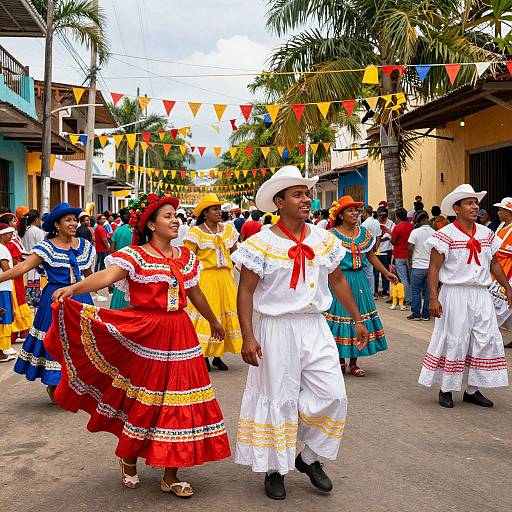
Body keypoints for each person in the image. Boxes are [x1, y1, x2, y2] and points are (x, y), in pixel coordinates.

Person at [48, 192, 231, 496]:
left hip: (181, 334)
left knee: (182, 399)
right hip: (147, 334)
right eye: (168, 216)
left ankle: (170, 474)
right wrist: (73, 288)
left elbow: (195, 293)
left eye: (176, 216)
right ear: (151, 224)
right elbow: (106, 277)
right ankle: (129, 456)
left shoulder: (186, 257)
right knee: (144, 399)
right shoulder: (135, 256)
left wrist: (213, 320)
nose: (175, 221)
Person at [232, 166, 369, 501]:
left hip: (314, 325)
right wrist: (248, 337)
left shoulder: (323, 238)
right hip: (275, 329)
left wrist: (357, 318)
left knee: (334, 393)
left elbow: (337, 280)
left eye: (307, 193)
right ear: (279, 202)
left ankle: (307, 458)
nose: (307, 199)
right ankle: (275, 469)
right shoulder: (260, 243)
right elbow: (246, 291)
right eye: (298, 194)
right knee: (278, 397)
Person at [418, 184, 511, 408]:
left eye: (476, 203)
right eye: (469, 203)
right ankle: (447, 388)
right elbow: (434, 268)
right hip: (455, 293)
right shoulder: (444, 235)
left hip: (481, 293)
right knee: (455, 338)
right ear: (456, 208)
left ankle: (472, 389)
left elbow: (494, 262)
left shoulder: (487, 233)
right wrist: (433, 297)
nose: (474, 207)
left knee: (484, 337)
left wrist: (507, 288)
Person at [0, 203, 96, 402]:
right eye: (68, 220)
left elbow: (90, 276)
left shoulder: (85, 246)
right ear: (57, 225)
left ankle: (78, 383)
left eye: (74, 220)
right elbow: (24, 267)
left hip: (80, 298)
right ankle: (55, 385)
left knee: (80, 342)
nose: (73, 223)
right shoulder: (46, 247)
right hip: (54, 300)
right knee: (55, 341)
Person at [325, 196, 395, 377]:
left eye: (356, 210)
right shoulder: (331, 235)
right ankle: (340, 360)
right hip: (340, 280)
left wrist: (386, 272)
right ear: (340, 215)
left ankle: (354, 362)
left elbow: (370, 256)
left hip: (360, 280)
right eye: (350, 210)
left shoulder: (364, 233)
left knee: (359, 319)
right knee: (340, 318)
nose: (355, 213)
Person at [184, 193, 242, 372]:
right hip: (205, 278)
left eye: (219, 209)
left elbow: (236, 255)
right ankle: (203, 356)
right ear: (205, 212)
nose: (218, 212)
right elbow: (188, 258)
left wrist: (246, 272)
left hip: (225, 278)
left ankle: (217, 356)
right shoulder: (195, 233)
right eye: (214, 209)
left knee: (224, 313)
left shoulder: (229, 230)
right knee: (207, 315)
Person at [489, 197, 512, 348]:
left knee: (499, 307)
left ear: (508, 211)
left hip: (507, 273)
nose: (498, 213)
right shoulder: (502, 226)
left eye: (500, 210)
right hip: (498, 272)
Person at [407, 211, 434, 320]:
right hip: (430, 267)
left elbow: (410, 248)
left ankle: (416, 314)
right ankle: (426, 314)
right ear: (427, 219)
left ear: (421, 221)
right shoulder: (434, 232)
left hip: (417, 265)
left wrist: (409, 260)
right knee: (428, 291)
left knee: (415, 291)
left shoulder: (415, 232)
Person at [19, 209, 45, 307]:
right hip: (35, 262)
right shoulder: (37, 231)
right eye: (40, 219)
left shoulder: (23, 230)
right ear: (36, 219)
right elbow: (42, 248)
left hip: (25, 262)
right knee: (36, 283)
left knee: (28, 284)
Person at [109, 208, 133, 310]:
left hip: (120, 265)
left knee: (120, 289)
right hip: (134, 266)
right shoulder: (136, 230)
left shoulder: (118, 230)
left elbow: (112, 250)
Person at [390, 208, 413, 306]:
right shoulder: (412, 226)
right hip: (410, 255)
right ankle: (413, 297)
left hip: (399, 255)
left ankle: (407, 298)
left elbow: (393, 241)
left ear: (398, 217)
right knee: (410, 277)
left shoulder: (397, 227)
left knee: (403, 278)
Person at [0, 224, 15, 362]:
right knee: (3, 318)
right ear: (2, 235)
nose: (11, 236)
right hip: (3, 287)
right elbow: (6, 269)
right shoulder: (2, 249)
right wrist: (16, 269)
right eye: (9, 233)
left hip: (4, 286)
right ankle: (2, 350)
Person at [374, 207, 395, 298]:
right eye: (379, 215)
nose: (380, 217)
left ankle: (385, 291)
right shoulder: (375, 223)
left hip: (386, 250)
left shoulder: (391, 224)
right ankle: (375, 290)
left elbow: (389, 236)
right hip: (376, 251)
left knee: (385, 272)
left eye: (382, 216)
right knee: (375, 273)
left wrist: (379, 239)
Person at [361, 205, 381, 295]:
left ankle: (368, 292)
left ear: (365, 212)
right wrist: (376, 247)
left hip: (366, 249)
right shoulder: (376, 222)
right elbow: (379, 236)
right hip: (373, 248)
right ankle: (372, 291)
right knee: (371, 272)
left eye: (362, 212)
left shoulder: (365, 224)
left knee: (367, 271)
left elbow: (362, 238)